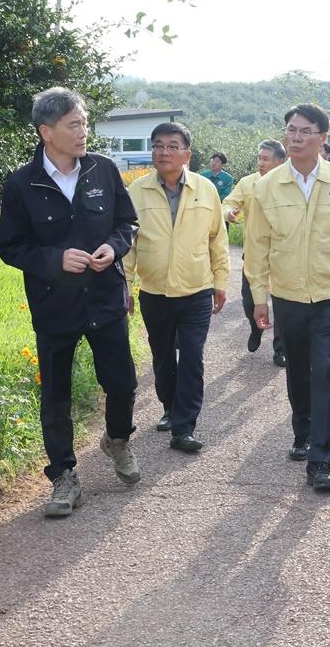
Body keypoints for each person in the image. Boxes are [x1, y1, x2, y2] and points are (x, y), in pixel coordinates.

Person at [0, 87, 140, 517]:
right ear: (47, 132)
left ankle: (117, 439)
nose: (83, 132)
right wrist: (54, 259)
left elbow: (127, 223)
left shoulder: (103, 170)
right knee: (56, 394)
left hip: (105, 297)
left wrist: (115, 247)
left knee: (122, 383)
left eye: (84, 123)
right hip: (54, 304)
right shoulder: (21, 184)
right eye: (74, 125)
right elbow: (11, 247)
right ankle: (64, 476)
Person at [245, 104, 330, 492]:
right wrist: (259, 298)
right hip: (287, 296)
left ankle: (321, 460)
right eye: (291, 130)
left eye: (304, 131)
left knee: (325, 370)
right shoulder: (268, 186)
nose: (296, 137)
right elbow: (256, 246)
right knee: (298, 370)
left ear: (322, 138)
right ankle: (302, 430)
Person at [126, 123, 229, 452]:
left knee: (192, 357)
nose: (164, 152)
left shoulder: (205, 189)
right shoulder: (137, 191)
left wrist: (220, 282)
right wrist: (124, 287)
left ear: (187, 154)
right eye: (158, 145)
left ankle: (184, 427)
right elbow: (127, 245)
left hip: (196, 289)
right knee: (162, 357)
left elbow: (217, 240)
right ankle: (170, 407)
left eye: (172, 146)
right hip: (154, 291)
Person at [223, 139, 288, 366]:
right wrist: (229, 212)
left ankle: (281, 349)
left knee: (282, 303)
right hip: (254, 253)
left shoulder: (290, 184)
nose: (260, 163)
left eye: (266, 159)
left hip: (284, 254)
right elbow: (229, 202)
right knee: (249, 300)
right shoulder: (247, 182)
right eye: (259, 158)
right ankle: (255, 328)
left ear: (280, 161)